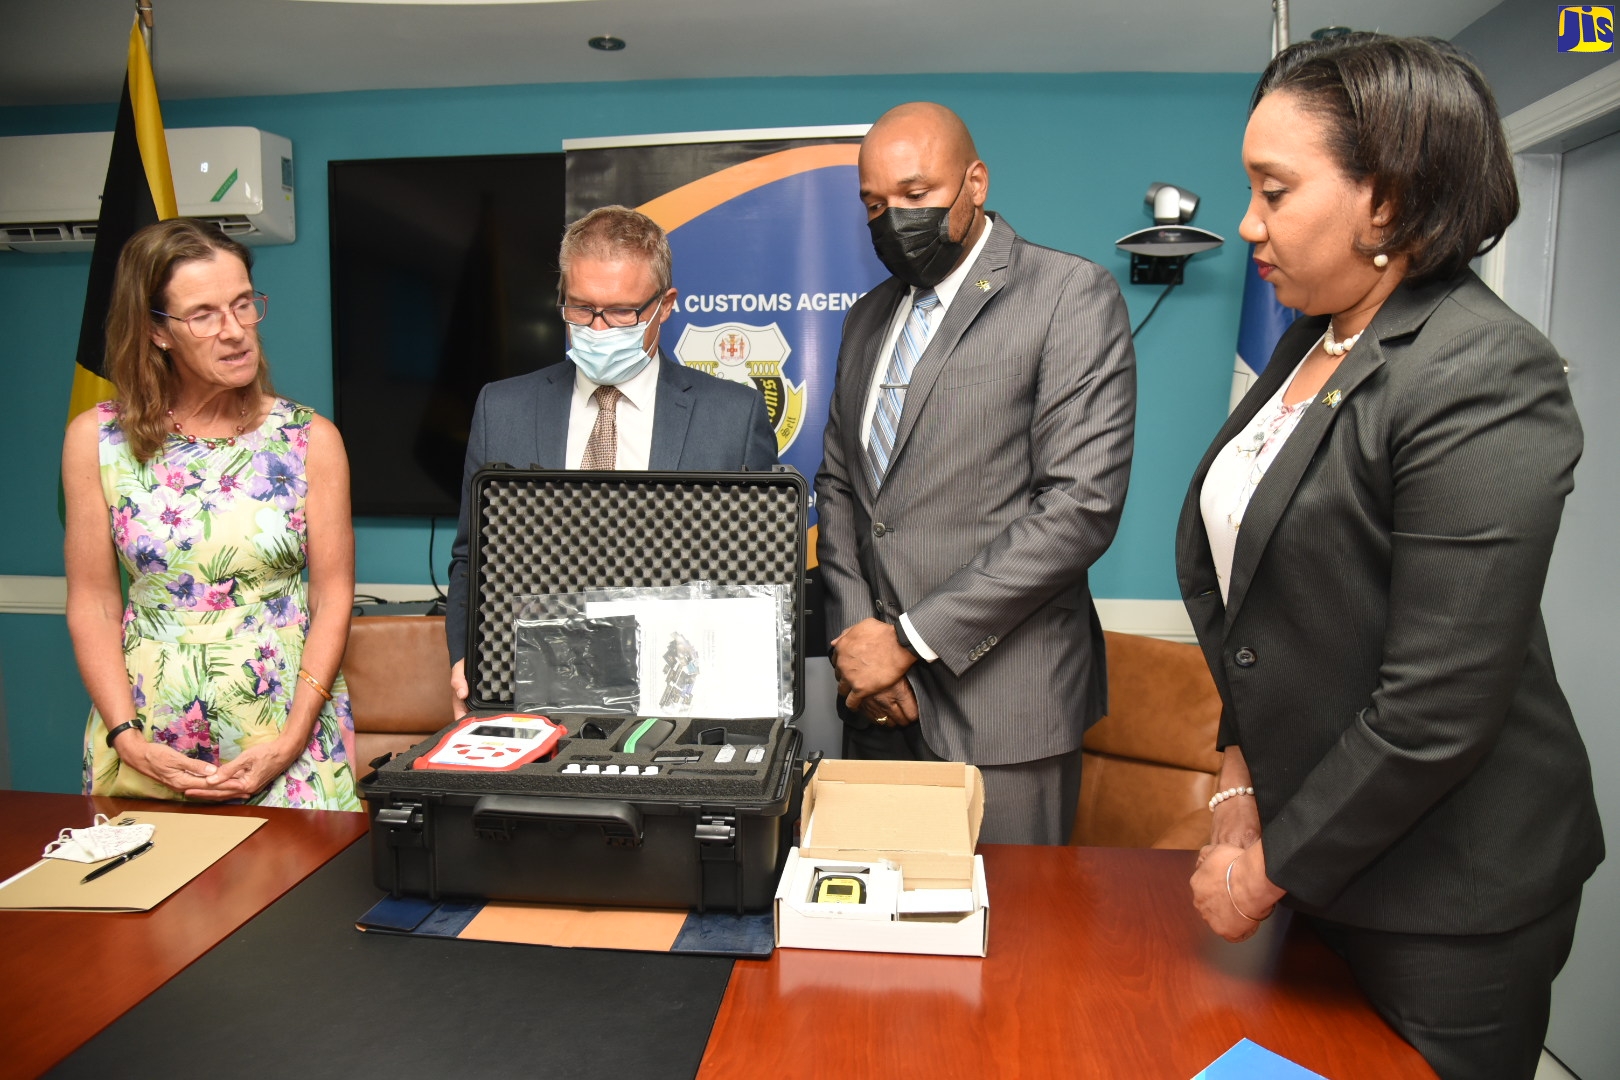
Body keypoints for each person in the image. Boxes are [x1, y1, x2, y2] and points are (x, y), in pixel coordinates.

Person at [1178, 35, 1603, 1080]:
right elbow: (1266, 602)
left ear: (1387, 200)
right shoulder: (1313, 335)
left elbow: (1439, 703)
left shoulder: (1483, 372)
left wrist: (1271, 866)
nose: (1247, 225)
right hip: (1317, 848)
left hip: (1448, 898)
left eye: (1274, 191)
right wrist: (1239, 779)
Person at [817, 102, 1136, 845]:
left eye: (917, 195)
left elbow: (1079, 506)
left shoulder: (1067, 296)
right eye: (874, 203)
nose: (894, 218)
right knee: (882, 941)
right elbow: (841, 487)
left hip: (1006, 712)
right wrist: (862, 638)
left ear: (975, 182)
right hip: (876, 701)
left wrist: (910, 640)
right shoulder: (866, 318)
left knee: (1015, 948)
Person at [64, 218, 360, 809]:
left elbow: (332, 596)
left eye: (244, 304)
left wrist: (292, 736)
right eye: (204, 314)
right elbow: (93, 601)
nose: (235, 331)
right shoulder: (97, 441)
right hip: (148, 741)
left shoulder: (308, 439)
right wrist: (128, 739)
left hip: (285, 738)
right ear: (158, 331)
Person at [446, 206, 779, 712]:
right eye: (581, 308)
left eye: (623, 311)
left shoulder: (732, 416)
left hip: (677, 695)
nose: (598, 329)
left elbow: (757, 583)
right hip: (531, 689)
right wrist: (465, 660)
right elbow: (473, 558)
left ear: (665, 305)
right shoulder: (503, 407)